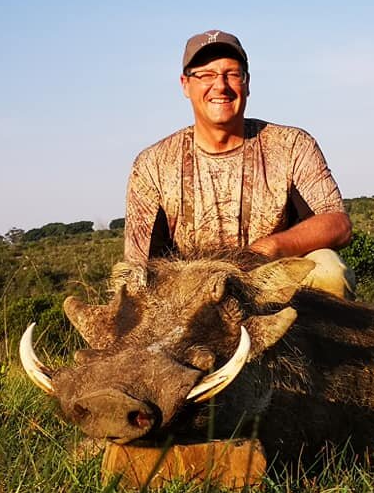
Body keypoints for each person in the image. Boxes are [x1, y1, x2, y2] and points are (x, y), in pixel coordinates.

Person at [124, 29, 355, 298]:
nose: (220, 86)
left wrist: (269, 249)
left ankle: (331, 341)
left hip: (272, 280)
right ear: (185, 85)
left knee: (329, 271)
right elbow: (138, 266)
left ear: (246, 83)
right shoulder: (152, 165)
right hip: (191, 294)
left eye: (232, 74)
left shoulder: (292, 145)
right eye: (206, 75)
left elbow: (338, 224)